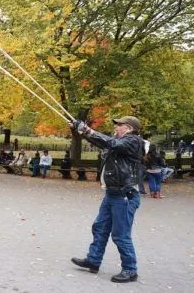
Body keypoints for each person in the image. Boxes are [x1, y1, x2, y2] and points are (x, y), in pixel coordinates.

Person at [70, 116, 144, 283]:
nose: (116, 127)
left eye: (119, 125)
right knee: (100, 228)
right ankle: (93, 260)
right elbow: (104, 142)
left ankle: (130, 269)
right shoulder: (119, 143)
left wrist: (87, 130)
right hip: (112, 194)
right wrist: (81, 130)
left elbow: (110, 143)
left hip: (125, 195)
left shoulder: (133, 141)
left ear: (129, 129)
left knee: (120, 235)